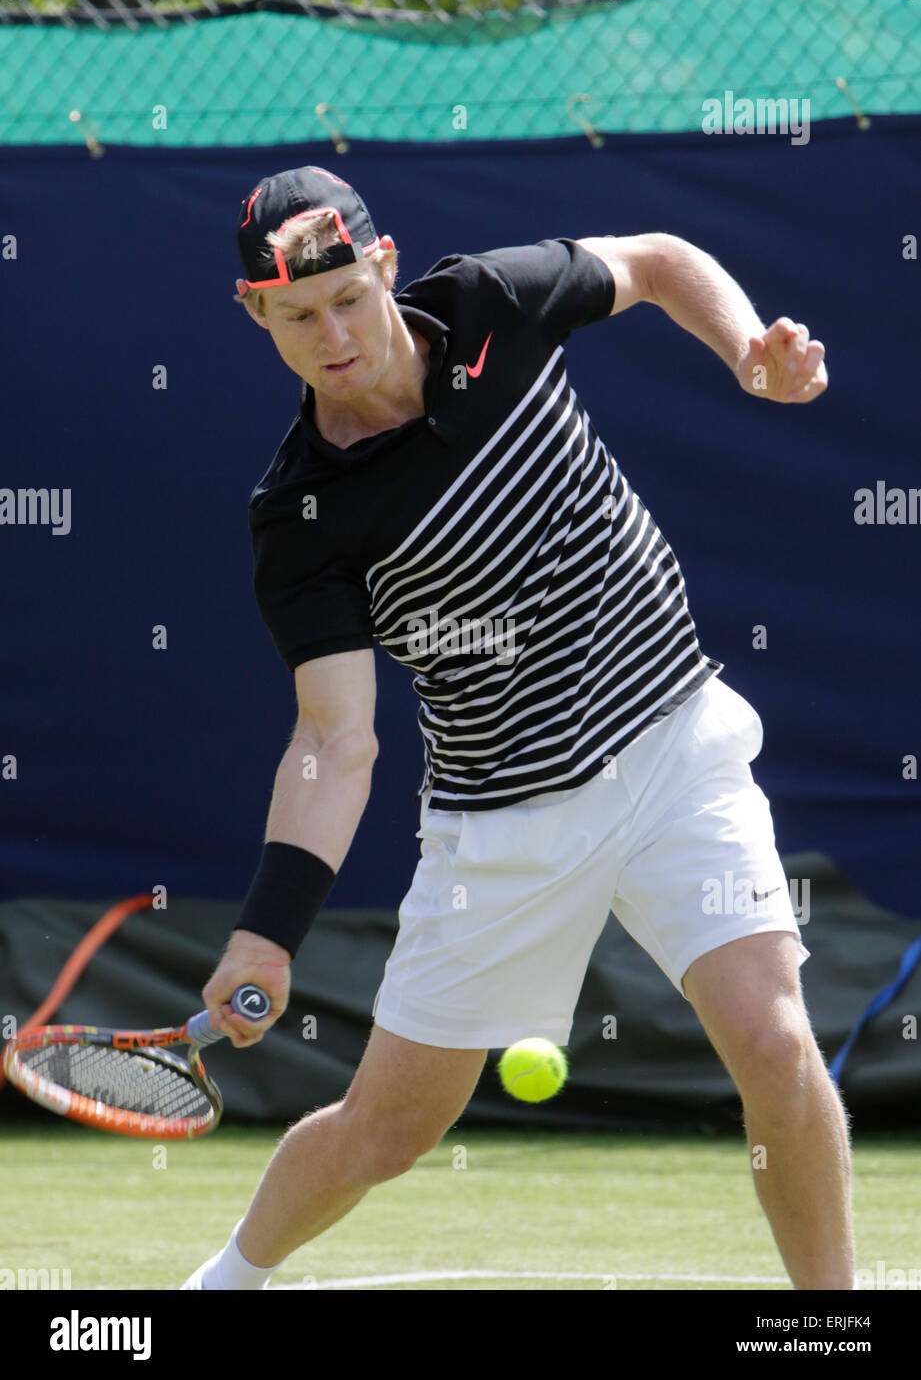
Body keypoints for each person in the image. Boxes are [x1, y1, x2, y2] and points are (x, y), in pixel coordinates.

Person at [182, 165, 854, 1290]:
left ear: (385, 262)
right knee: (384, 1134)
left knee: (777, 1043)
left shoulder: (494, 301)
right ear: (253, 311)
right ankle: (220, 1284)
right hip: (502, 820)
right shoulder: (299, 517)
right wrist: (267, 930)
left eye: (348, 295)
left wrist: (745, 349)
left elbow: (652, 260)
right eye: (297, 315)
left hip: (672, 739)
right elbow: (336, 739)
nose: (333, 334)